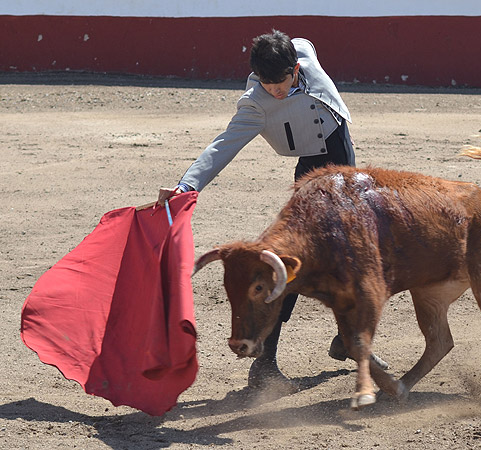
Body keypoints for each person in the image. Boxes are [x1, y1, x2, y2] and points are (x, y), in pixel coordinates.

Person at [158, 30, 386, 391]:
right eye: (267, 84)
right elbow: (222, 146)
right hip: (312, 166)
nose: (275, 91)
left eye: (280, 83)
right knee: (296, 260)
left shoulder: (304, 51)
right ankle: (266, 364)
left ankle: (348, 340)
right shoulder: (255, 104)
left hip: (342, 150)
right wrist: (187, 186)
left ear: (295, 68)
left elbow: (303, 43)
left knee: (356, 250)